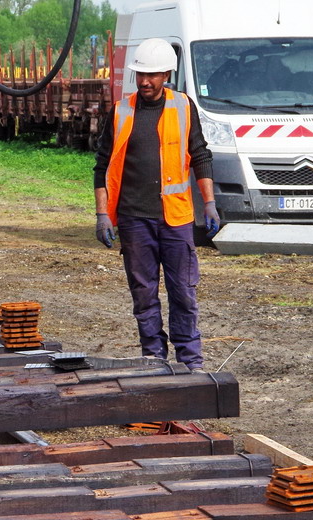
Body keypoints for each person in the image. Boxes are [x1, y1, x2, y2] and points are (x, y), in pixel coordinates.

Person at [93, 38, 221, 373]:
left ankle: (190, 361)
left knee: (183, 291)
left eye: (152, 75)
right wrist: (102, 214)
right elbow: (102, 166)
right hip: (134, 219)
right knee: (144, 294)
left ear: (167, 75)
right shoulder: (121, 111)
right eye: (141, 74)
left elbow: (200, 155)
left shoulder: (183, 106)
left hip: (175, 217)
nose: (145, 81)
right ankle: (153, 358)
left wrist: (209, 203)